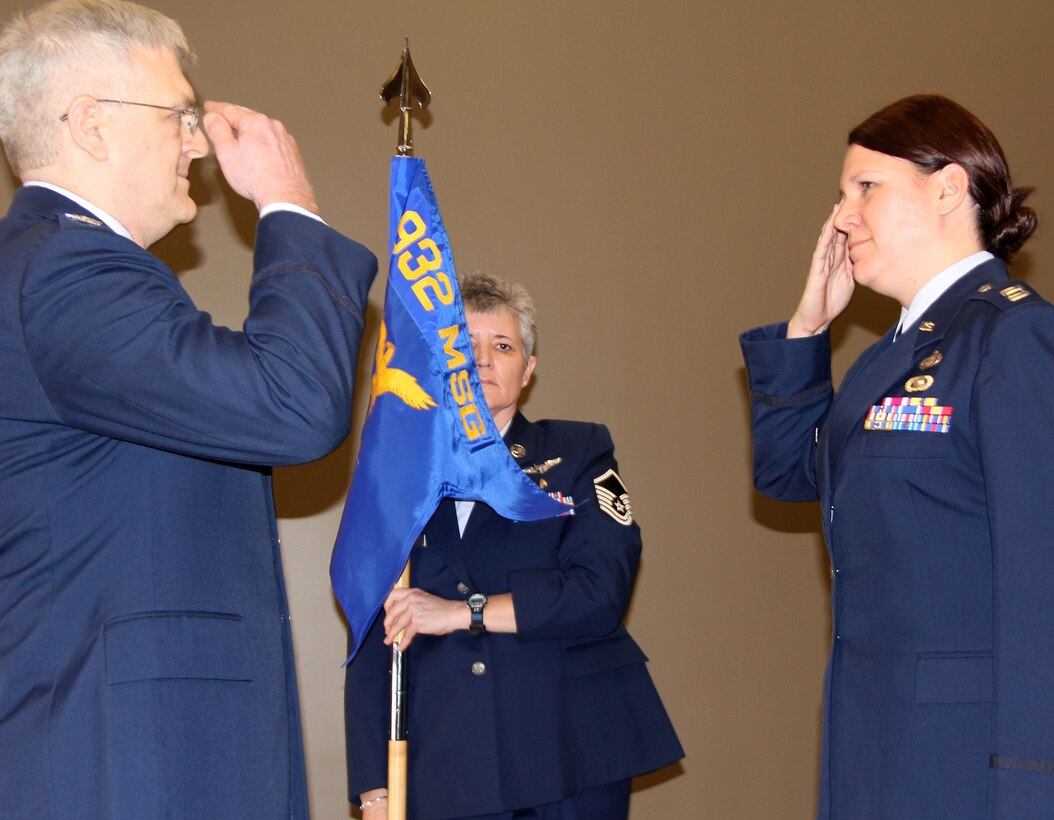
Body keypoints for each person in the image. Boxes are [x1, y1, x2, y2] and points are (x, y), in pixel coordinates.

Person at [0, 1, 377, 817]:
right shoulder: (69, 272)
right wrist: (288, 202)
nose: (199, 141)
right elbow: (293, 403)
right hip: (126, 761)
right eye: (178, 113)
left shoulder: (53, 269)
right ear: (92, 124)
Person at [740, 94, 1049, 818]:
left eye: (865, 188)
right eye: (842, 193)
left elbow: (1043, 586)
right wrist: (808, 326)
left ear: (948, 188)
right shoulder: (890, 359)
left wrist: (1033, 784)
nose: (842, 216)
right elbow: (789, 476)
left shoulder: (1014, 339)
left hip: (968, 762)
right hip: (875, 745)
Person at [344, 271, 683, 819]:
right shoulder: (398, 475)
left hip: (570, 747)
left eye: (502, 346)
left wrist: (462, 613)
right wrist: (373, 788)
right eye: (464, 346)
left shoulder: (578, 451)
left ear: (527, 370)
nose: (481, 360)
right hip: (443, 757)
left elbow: (600, 590)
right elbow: (368, 631)